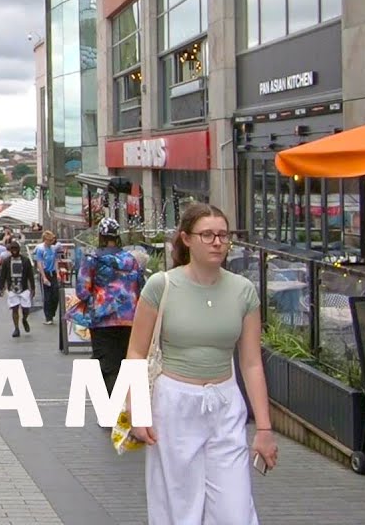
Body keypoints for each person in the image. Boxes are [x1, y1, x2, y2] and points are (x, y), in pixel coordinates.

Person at [127, 203, 276, 525]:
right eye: (206, 234)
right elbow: (136, 353)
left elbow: (251, 363)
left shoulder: (243, 290)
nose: (217, 242)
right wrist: (138, 413)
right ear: (186, 239)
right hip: (174, 404)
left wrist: (263, 428)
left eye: (223, 235)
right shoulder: (162, 286)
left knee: (235, 511)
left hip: (224, 403)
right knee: (179, 508)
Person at [71, 218, 144, 395]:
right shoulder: (131, 259)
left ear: (101, 236)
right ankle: (125, 409)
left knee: (105, 364)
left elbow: (82, 290)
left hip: (103, 319)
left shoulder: (92, 259)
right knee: (125, 361)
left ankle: (113, 411)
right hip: (129, 318)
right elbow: (140, 285)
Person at [0, 242, 35, 338]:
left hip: (24, 288)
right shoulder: (6, 261)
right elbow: (2, 276)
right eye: (12, 249)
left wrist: (33, 288)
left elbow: (30, 275)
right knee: (14, 309)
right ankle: (16, 328)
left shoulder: (25, 261)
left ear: (18, 249)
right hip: (12, 288)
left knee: (26, 309)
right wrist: (1, 288)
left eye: (16, 248)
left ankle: (24, 319)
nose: (14, 250)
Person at [32, 231, 61, 326]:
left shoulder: (53, 248)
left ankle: (52, 313)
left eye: (52, 240)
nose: (51, 242)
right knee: (47, 297)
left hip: (53, 273)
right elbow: (39, 263)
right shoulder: (40, 249)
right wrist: (43, 276)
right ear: (45, 240)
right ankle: (48, 317)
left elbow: (56, 260)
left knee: (55, 295)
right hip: (45, 273)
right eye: (49, 240)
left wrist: (58, 273)